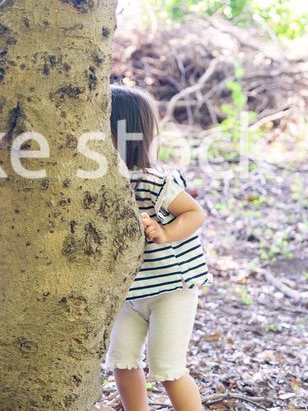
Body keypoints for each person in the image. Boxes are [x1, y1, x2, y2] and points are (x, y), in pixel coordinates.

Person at [106, 85, 210, 411]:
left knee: (167, 367)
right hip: (131, 292)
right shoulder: (100, 179)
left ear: (125, 133)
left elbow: (195, 213)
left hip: (171, 289)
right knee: (122, 361)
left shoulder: (154, 180)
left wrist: (164, 231)